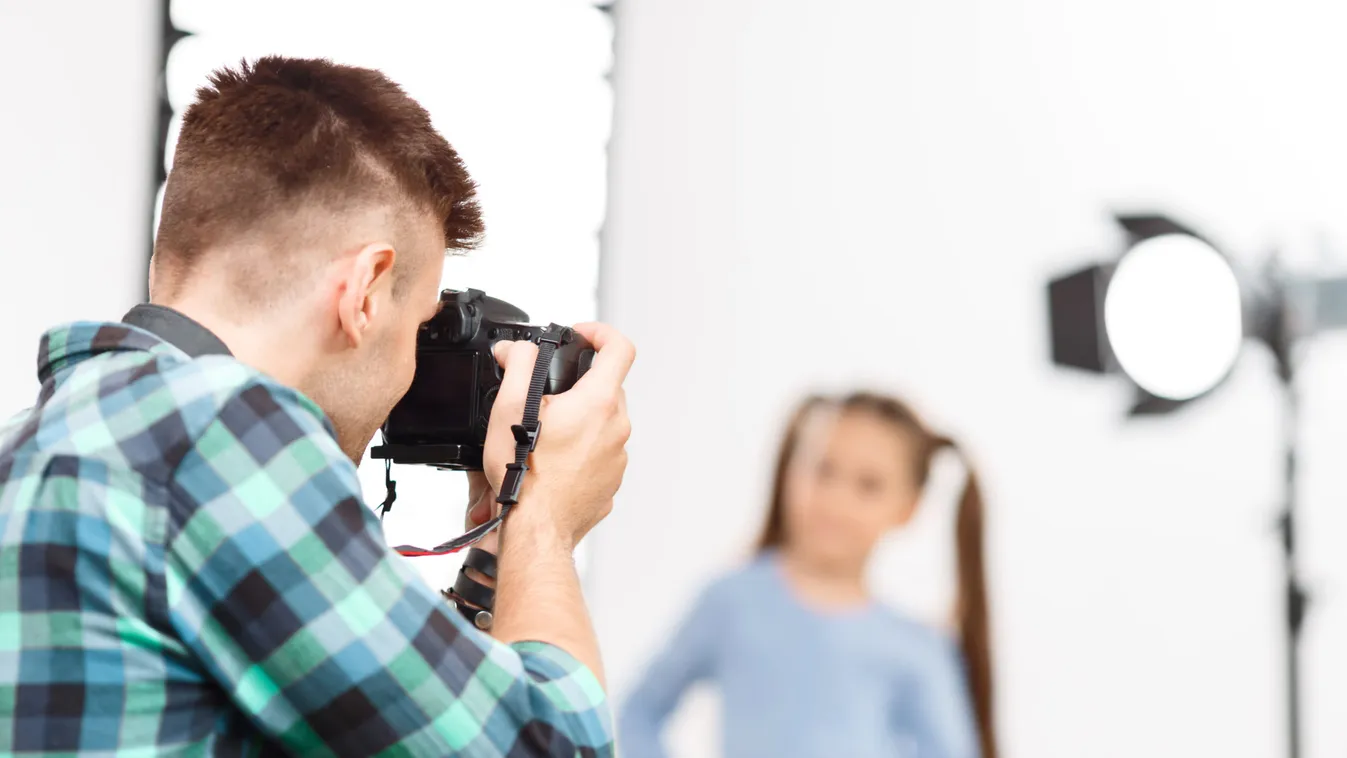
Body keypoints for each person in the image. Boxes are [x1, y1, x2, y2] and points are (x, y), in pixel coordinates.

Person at [0, 56, 633, 756]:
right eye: (418, 326)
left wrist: (496, 555)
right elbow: (552, 747)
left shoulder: (40, 444)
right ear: (364, 292)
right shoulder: (219, 436)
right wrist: (545, 516)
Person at [619, 393, 994, 758]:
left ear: (907, 509)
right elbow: (639, 713)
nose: (836, 499)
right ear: (792, 469)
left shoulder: (917, 648)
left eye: (869, 485)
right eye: (824, 470)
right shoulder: (731, 601)